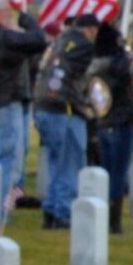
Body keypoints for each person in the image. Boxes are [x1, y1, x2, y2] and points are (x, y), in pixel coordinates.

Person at [33, 13, 99, 229]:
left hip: (43, 105)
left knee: (56, 163)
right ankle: (64, 213)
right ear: (91, 30)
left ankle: (50, 211)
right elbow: (89, 75)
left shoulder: (59, 41)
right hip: (65, 109)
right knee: (71, 163)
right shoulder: (84, 46)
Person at [0, 0, 47, 221]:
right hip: (5, 101)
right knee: (8, 158)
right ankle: (1, 211)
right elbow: (38, 39)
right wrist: (25, 18)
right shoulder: (3, 37)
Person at [82, 23, 133, 234]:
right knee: (117, 173)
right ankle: (113, 221)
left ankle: (106, 215)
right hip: (121, 121)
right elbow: (128, 76)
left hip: (103, 122)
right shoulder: (117, 64)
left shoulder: (94, 64)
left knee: (107, 170)